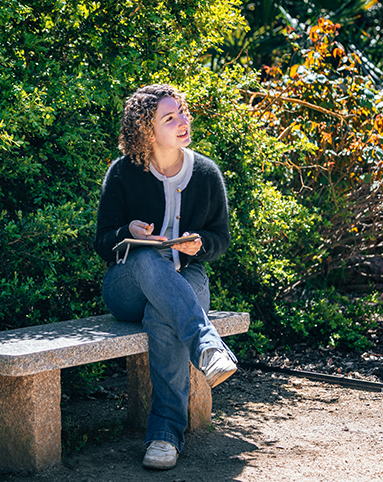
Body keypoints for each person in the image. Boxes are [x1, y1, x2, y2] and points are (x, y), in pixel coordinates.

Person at [93, 84, 238, 470]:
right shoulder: (123, 172)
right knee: (146, 261)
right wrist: (129, 233)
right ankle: (207, 344)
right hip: (128, 286)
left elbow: (221, 238)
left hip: (186, 278)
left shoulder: (206, 172)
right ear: (147, 130)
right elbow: (102, 241)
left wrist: (199, 245)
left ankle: (164, 436)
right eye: (170, 118)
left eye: (183, 113)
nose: (183, 122)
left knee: (164, 316)